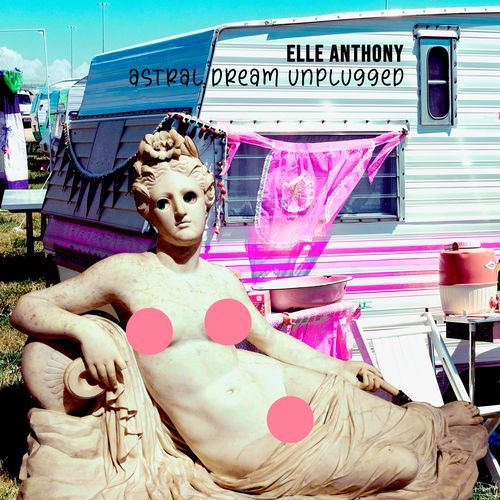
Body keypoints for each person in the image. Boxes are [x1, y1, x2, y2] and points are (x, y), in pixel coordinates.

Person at [11, 126, 487, 499]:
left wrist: (340, 367)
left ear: (208, 199)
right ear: (147, 212)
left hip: (284, 404)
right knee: (403, 465)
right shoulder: (127, 273)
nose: (180, 212)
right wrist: (86, 332)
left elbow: (272, 341)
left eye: (189, 197)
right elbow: (27, 306)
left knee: (411, 430)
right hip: (242, 448)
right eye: (163, 203)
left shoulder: (222, 279)